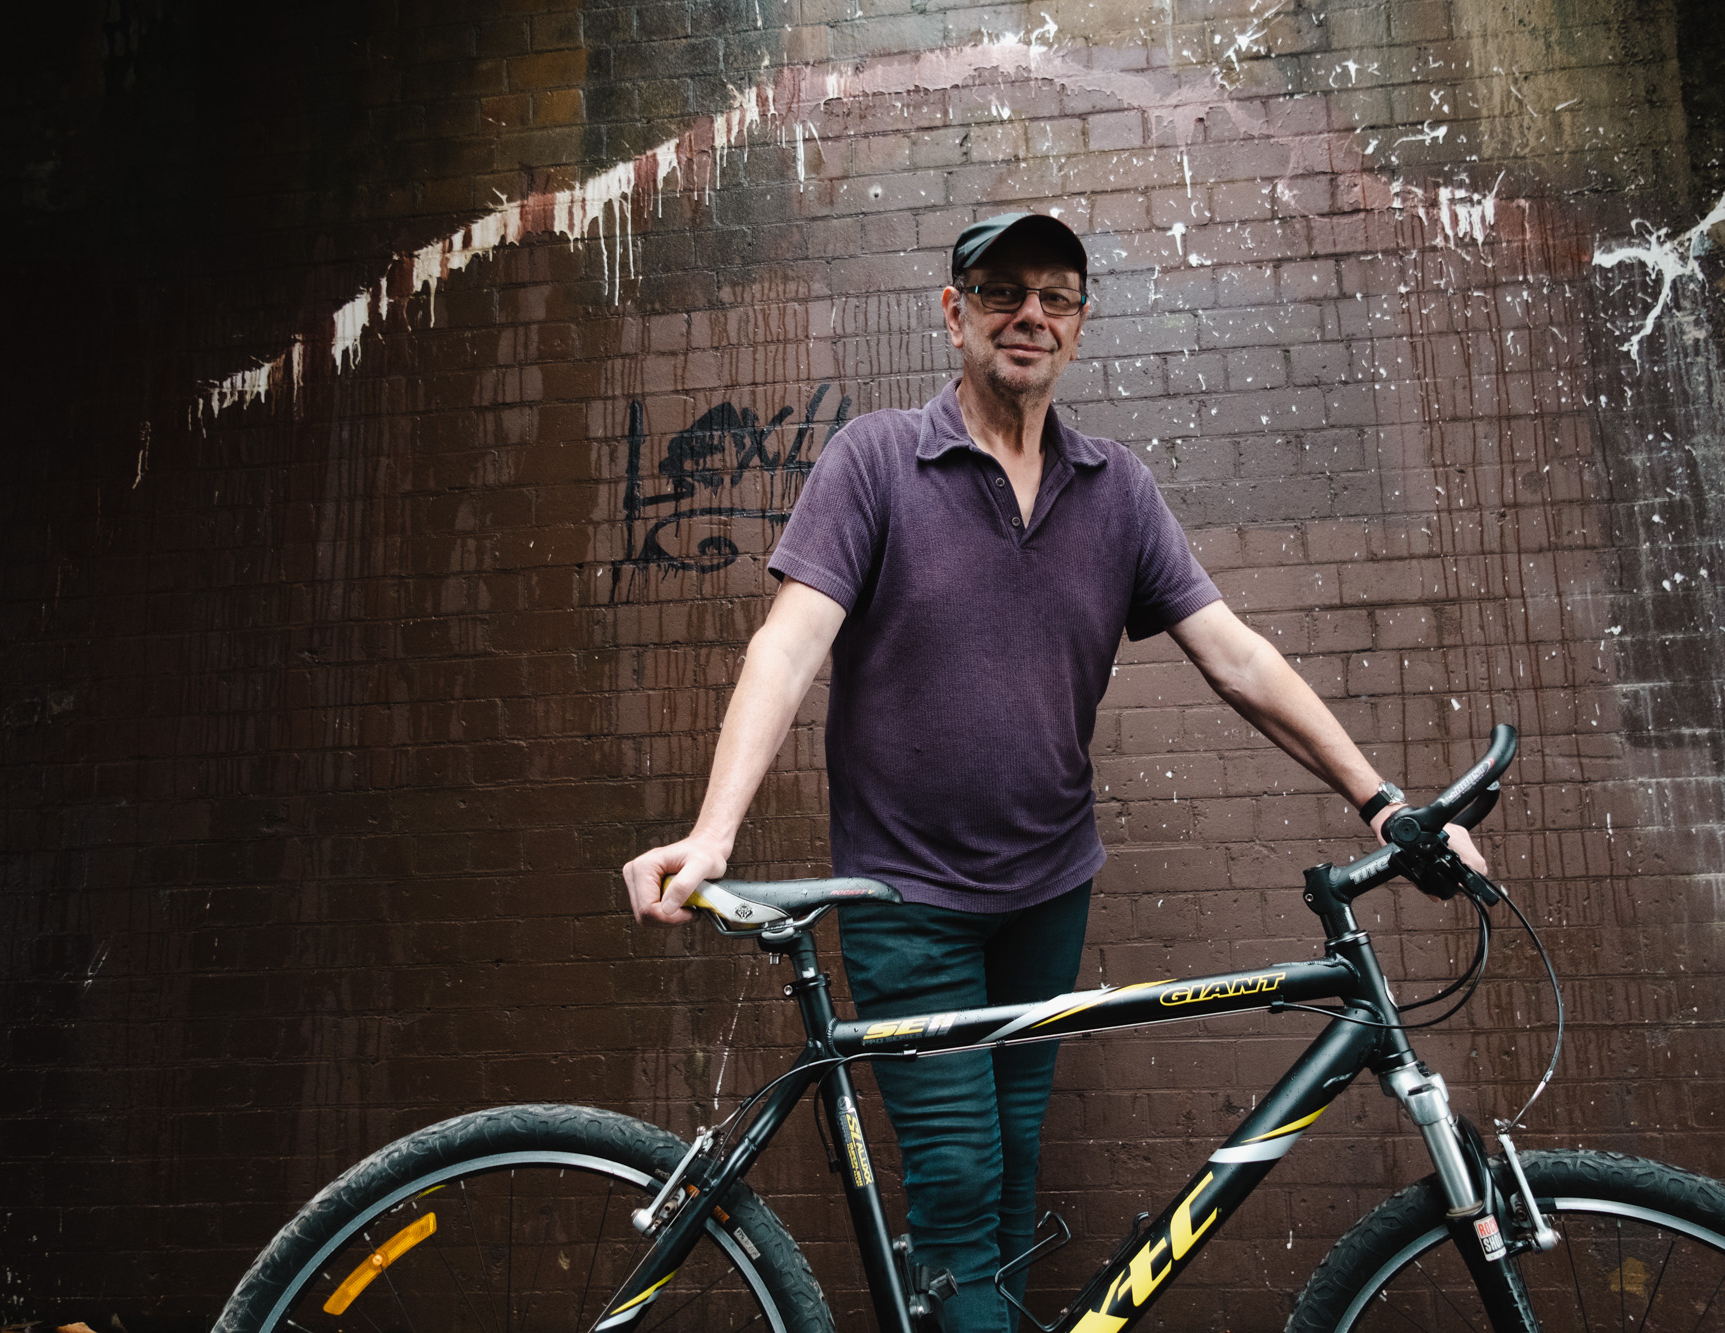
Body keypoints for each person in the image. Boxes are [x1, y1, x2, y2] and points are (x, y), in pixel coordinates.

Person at [621, 210, 1486, 1333]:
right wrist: (716, 831)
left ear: (1078, 325)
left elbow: (1233, 655)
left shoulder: (1110, 487)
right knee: (959, 1186)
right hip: (904, 900)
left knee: (1015, 1172)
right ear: (953, 312)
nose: (1029, 314)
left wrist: (1379, 801)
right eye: (1001, 291)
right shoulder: (878, 459)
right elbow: (786, 646)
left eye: (1056, 296)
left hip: (1043, 894)